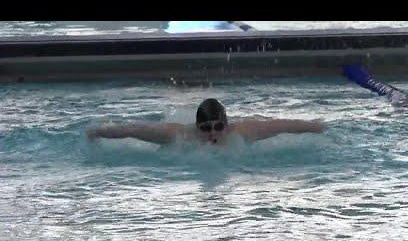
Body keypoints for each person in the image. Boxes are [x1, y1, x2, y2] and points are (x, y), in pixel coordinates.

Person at [86, 98, 324, 146]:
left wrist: (319, 128)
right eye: (206, 128)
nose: (213, 134)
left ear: (227, 125)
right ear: (196, 127)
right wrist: (97, 132)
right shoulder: (177, 135)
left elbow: (285, 124)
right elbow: (135, 131)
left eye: (218, 127)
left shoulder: (244, 131)